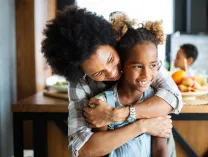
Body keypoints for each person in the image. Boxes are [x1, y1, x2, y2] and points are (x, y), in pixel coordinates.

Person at [41, 5, 182, 157]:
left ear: (113, 43)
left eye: (110, 59)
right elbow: (81, 149)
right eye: (98, 72)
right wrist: (143, 125)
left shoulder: (138, 56)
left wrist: (118, 115)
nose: (112, 72)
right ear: (82, 73)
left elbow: (173, 97)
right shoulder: (81, 85)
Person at [91, 14, 176, 157]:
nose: (146, 74)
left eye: (153, 65)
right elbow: (102, 152)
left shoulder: (156, 101)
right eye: (137, 66)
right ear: (121, 66)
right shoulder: (103, 105)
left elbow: (160, 150)